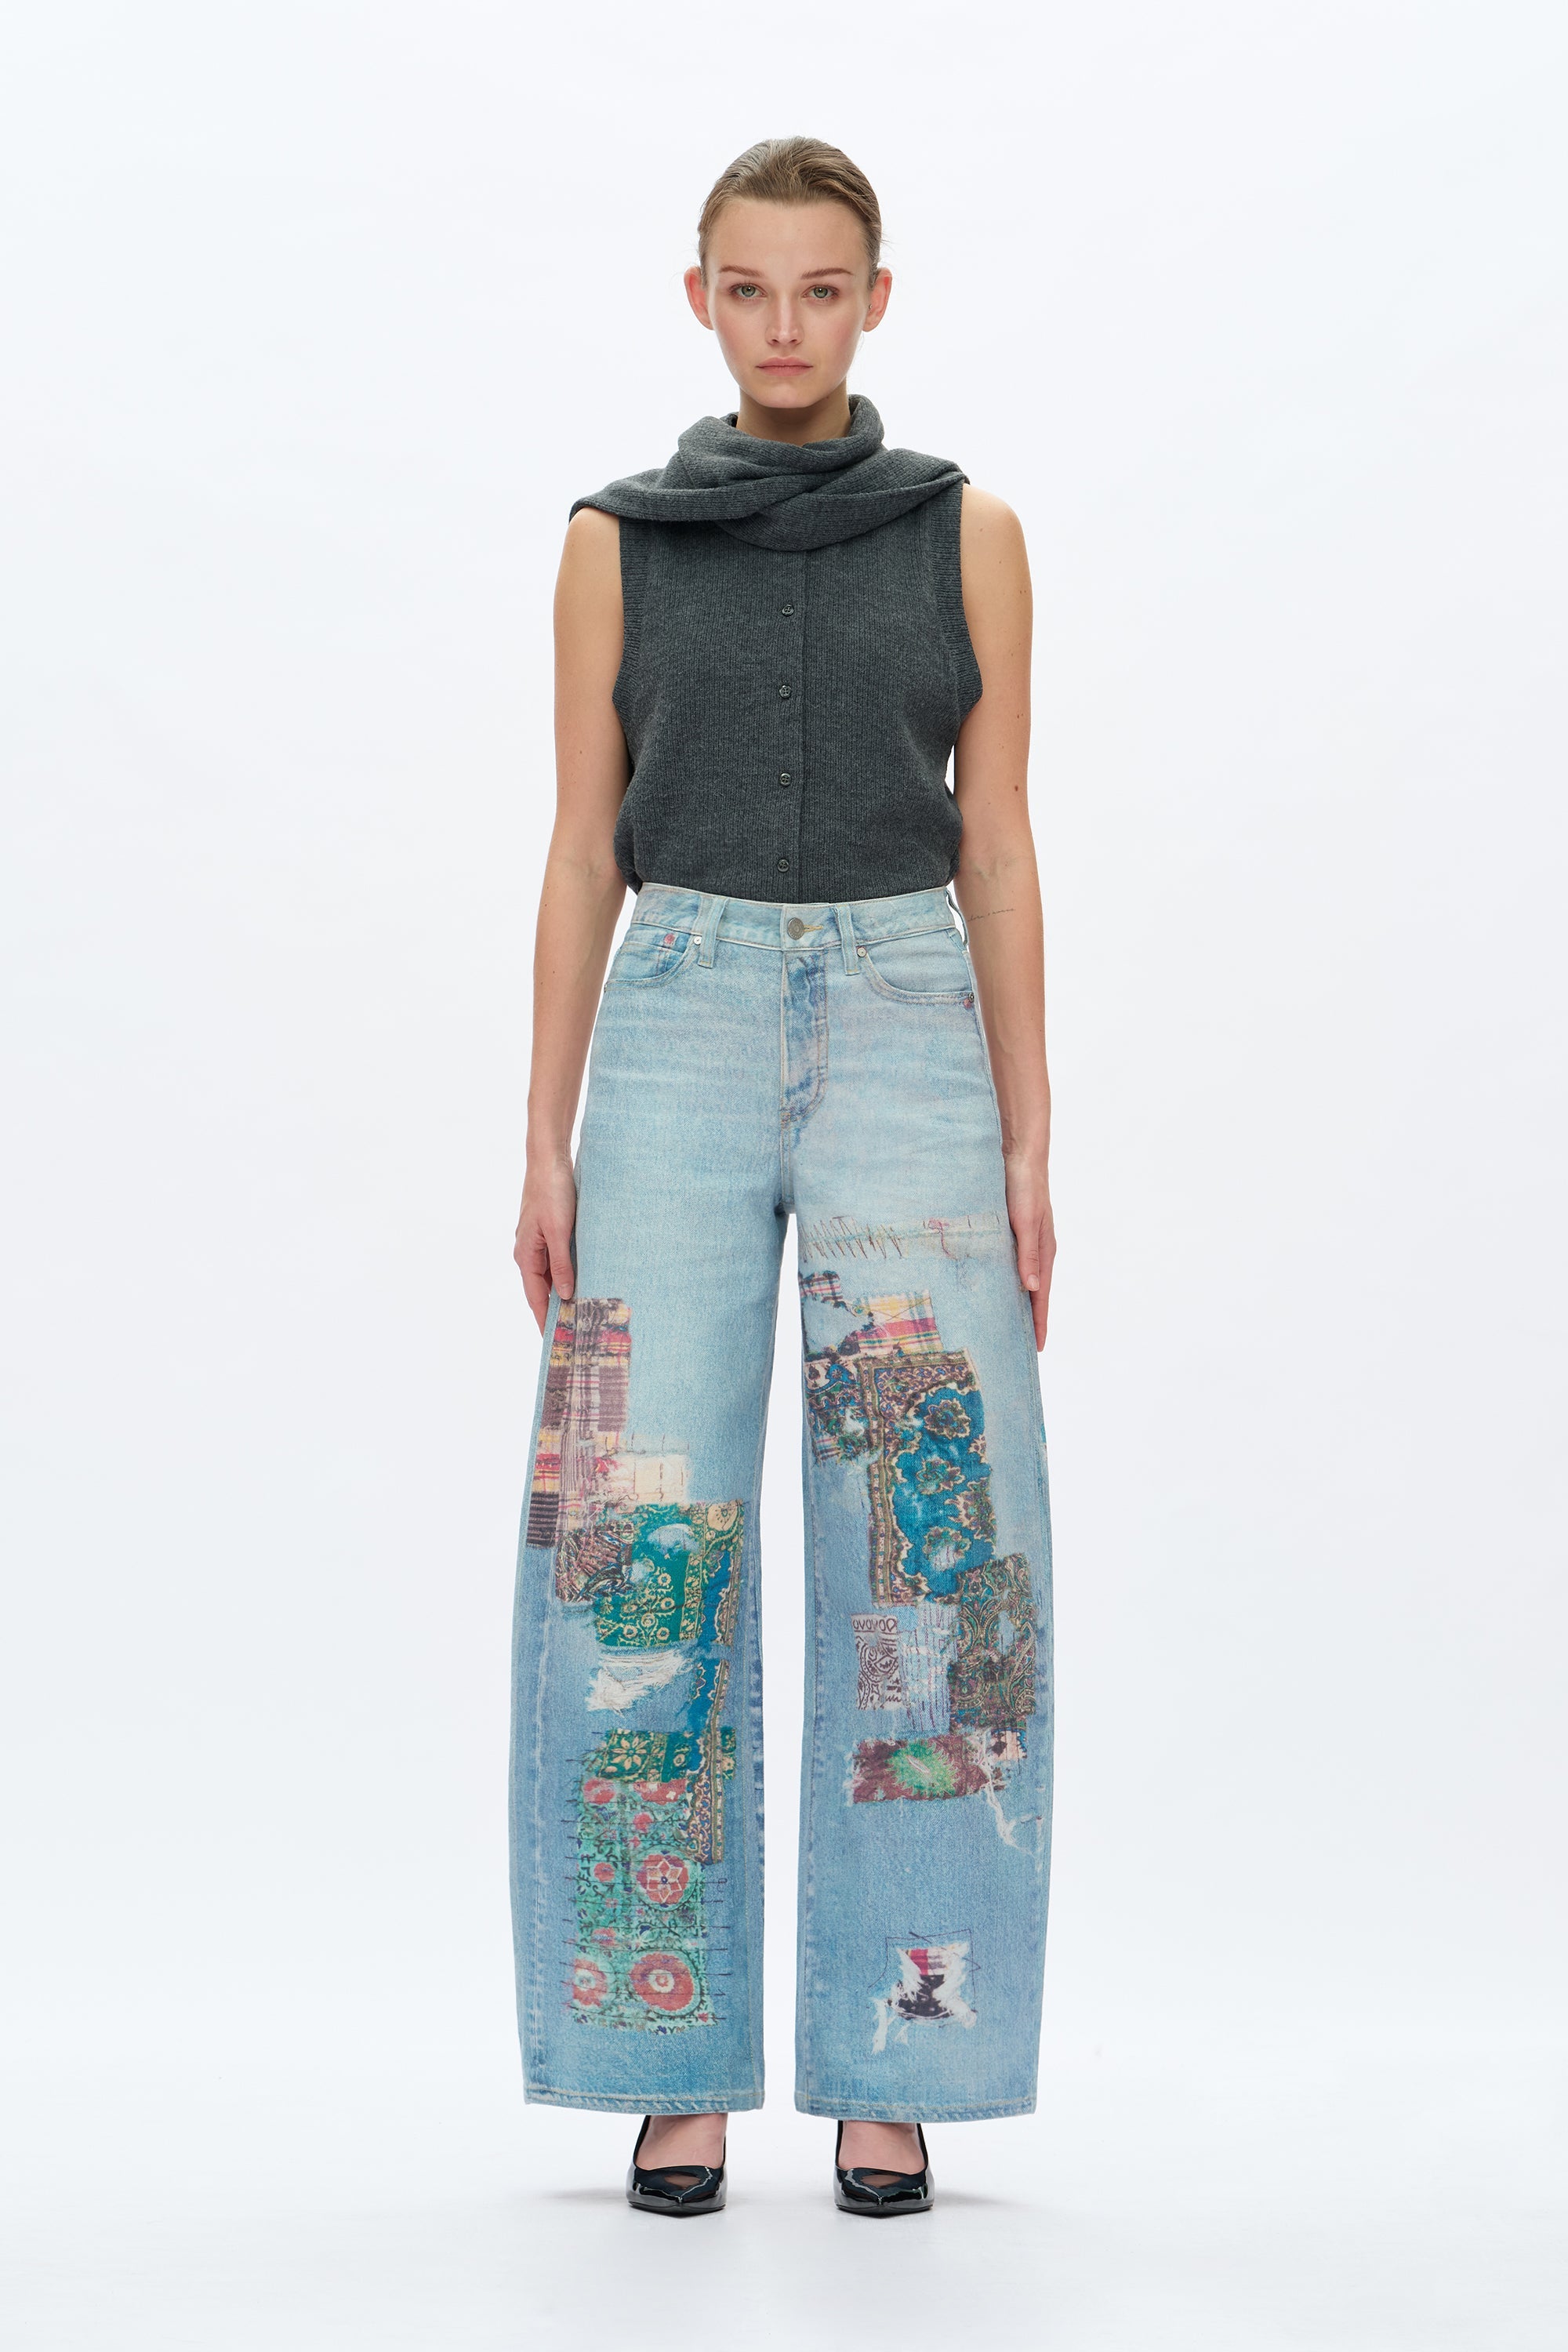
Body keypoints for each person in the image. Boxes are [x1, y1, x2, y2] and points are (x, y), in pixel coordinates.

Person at [509, 135, 1056, 2219]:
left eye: (823, 289)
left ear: (876, 299)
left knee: (935, 1538)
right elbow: (584, 845)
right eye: (750, 289)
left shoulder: (969, 530)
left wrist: (1029, 1133)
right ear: (700, 299)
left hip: (911, 1011)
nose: (786, 327)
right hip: (681, 1017)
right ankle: (665, 2055)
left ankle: (895, 2056)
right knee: (634, 1520)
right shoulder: (614, 541)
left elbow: (998, 840)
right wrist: (543, 1126)